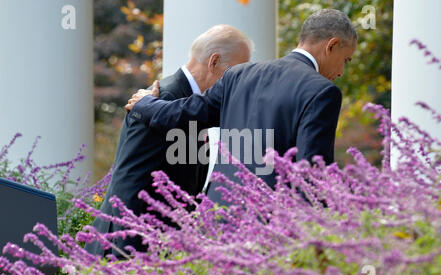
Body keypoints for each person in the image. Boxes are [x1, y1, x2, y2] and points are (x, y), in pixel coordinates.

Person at [126, 9, 357, 206]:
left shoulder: (238, 74)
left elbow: (189, 113)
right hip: (269, 228)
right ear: (332, 46)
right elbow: (312, 171)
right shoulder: (323, 92)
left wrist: (145, 104)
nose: (341, 72)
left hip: (218, 217)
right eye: (345, 60)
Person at [85, 25, 253, 258]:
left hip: (158, 240)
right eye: (236, 72)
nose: (240, 82)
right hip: (130, 242)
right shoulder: (164, 98)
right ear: (214, 62)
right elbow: (131, 179)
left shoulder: (184, 104)